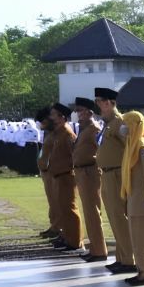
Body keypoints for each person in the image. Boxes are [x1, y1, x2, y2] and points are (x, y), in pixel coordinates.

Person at [95, 88, 136, 276]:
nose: (99, 105)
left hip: (117, 174)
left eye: (101, 102)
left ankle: (129, 260)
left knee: (119, 216)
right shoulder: (107, 123)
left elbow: (130, 144)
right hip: (107, 174)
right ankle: (121, 257)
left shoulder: (119, 122)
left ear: (111, 103)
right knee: (114, 217)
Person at [71, 98, 109, 263]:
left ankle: (99, 250)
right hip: (82, 171)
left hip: (90, 171)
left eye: (80, 110)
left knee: (93, 212)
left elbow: (101, 149)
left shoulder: (94, 128)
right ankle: (95, 247)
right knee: (89, 211)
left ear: (89, 112)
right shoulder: (84, 128)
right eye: (77, 111)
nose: (77, 114)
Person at [121, 111, 144, 287]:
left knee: (142, 239)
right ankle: (143, 270)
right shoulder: (132, 144)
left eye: (126, 123)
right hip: (134, 199)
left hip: (141, 201)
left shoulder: (141, 146)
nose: (123, 127)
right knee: (138, 238)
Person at [47, 103, 83, 252]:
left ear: (62, 117)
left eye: (54, 114)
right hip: (58, 176)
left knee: (70, 209)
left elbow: (73, 155)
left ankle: (75, 241)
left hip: (66, 176)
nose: (51, 117)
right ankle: (67, 237)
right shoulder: (58, 133)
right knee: (62, 209)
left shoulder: (68, 134)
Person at [36, 108, 60, 239]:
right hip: (47, 172)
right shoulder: (49, 133)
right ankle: (54, 226)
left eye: (43, 122)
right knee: (52, 202)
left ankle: (58, 228)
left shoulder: (57, 134)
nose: (42, 125)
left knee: (57, 202)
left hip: (53, 172)